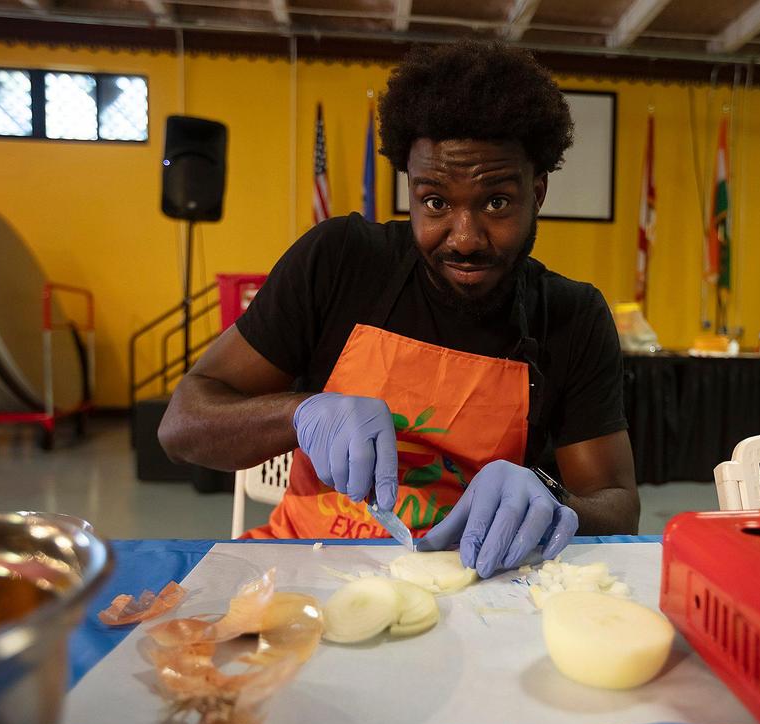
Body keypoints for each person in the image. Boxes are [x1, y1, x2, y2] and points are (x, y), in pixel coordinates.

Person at [159, 40, 638, 579]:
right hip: (303, 566)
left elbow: (617, 503)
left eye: (496, 202)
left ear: (539, 191)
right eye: (435, 202)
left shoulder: (571, 315)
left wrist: (553, 500)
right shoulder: (340, 261)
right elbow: (181, 426)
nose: (465, 238)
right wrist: (300, 412)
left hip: (470, 583)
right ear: (410, 189)